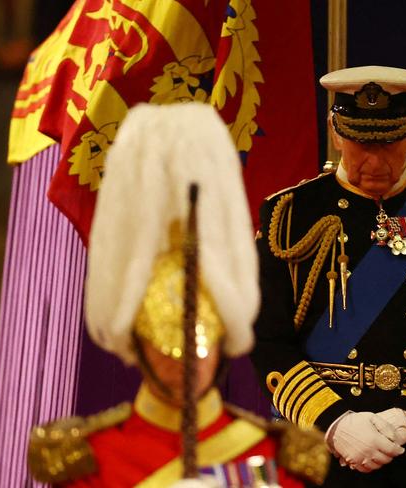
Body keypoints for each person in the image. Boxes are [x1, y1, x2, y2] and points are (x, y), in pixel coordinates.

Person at [26, 103, 329, 488]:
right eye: (165, 342)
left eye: (202, 343)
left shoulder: (281, 460)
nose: (188, 361)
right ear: (137, 339)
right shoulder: (90, 464)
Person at [251, 66, 406, 487]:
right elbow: (267, 338)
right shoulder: (289, 215)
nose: (375, 160)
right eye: (360, 142)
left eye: (389, 143)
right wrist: (333, 422)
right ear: (335, 133)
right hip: (318, 440)